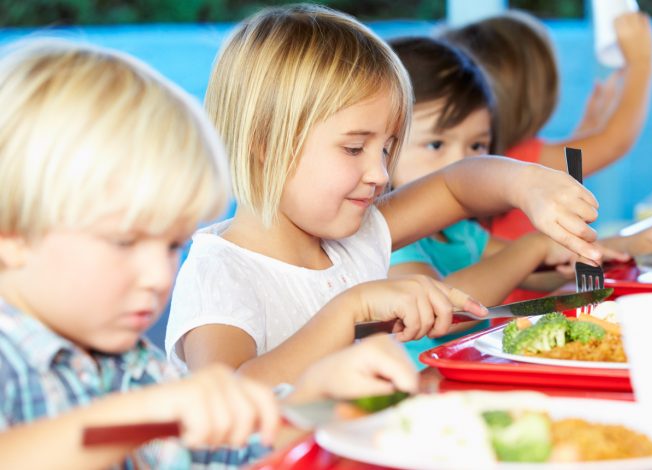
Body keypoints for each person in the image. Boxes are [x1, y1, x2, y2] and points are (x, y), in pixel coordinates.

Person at [0, 38, 418, 469]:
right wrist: (142, 415)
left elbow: (236, 450)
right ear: (12, 235)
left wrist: (320, 400)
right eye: (124, 242)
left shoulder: (133, 365)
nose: (158, 277)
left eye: (171, 246)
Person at [165, 4, 602, 386]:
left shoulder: (356, 237)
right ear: (263, 142)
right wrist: (349, 310)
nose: (379, 173)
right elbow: (229, 397)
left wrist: (527, 184)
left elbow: (457, 187)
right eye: (354, 148)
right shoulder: (219, 273)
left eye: (388, 148)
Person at [386, 36, 652, 365]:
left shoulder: (460, 232)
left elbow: (533, 272)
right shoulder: (389, 240)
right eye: (436, 145)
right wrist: (533, 247)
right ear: (384, 144)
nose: (462, 162)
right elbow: (446, 312)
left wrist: (623, 246)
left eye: (476, 146)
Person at [441, 9, 652, 241]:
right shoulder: (518, 161)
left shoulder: (488, 159)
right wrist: (641, 63)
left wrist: (589, 127)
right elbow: (614, 143)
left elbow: (568, 167)